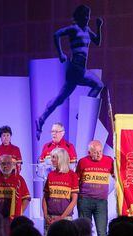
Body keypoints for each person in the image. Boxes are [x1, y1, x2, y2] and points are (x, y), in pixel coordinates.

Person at [35, 4, 104, 140]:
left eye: (88, 17)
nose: (87, 19)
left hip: (81, 69)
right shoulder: (74, 29)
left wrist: (99, 27)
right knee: (98, 85)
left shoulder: (87, 30)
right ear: (79, 17)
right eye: (85, 16)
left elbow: (97, 42)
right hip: (75, 68)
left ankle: (42, 119)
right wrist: (61, 54)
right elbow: (57, 34)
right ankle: (83, 112)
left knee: (60, 98)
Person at [0, 154, 31, 236]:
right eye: (3, 163)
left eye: (8, 163)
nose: (5, 166)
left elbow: (27, 198)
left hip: (12, 219)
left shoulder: (19, 179)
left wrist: (19, 212)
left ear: (13, 165)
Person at [76, 140, 114, 236]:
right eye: (95, 152)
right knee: (84, 233)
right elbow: (76, 180)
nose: (98, 155)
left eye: (100, 152)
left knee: (102, 233)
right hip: (84, 201)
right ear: (89, 152)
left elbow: (116, 176)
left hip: (101, 202)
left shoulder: (109, 160)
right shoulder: (82, 162)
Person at [42, 148, 79, 233]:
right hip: (50, 218)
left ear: (61, 159)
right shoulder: (50, 175)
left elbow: (74, 200)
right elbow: (45, 197)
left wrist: (61, 217)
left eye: (53, 157)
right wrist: (45, 215)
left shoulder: (72, 175)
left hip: (66, 218)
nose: (51, 160)